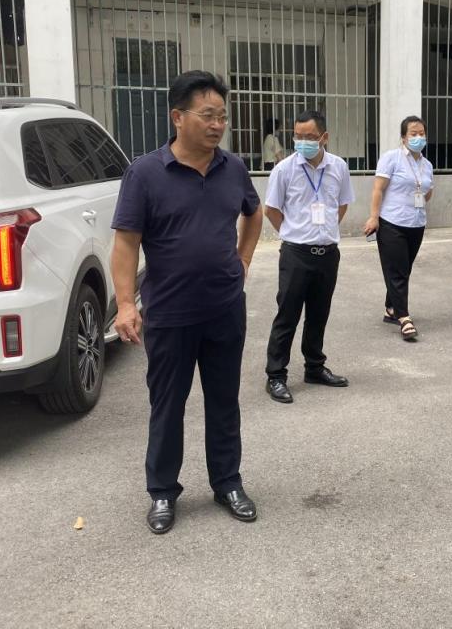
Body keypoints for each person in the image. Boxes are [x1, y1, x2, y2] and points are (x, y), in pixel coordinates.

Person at [111, 70, 263, 534]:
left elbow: (254, 214)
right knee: (167, 405)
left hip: (224, 308)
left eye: (223, 116)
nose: (218, 125)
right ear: (178, 117)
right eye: (208, 115)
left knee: (224, 401)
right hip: (171, 313)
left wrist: (243, 260)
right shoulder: (145, 173)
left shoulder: (233, 168)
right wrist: (125, 304)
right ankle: (162, 491)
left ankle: (228, 482)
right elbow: (126, 242)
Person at [263, 110, 354, 404]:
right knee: (287, 315)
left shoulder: (338, 167)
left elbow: (342, 204)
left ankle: (314, 367)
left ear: (324, 137)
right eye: (298, 136)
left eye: (310, 137)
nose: (303, 141)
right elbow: (271, 210)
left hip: (327, 254)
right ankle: (276, 375)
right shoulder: (284, 170)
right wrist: (293, 233)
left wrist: (325, 231)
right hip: (296, 254)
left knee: (319, 313)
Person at [363, 116, 434, 341]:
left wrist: (419, 197)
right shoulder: (391, 158)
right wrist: (374, 217)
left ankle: (391, 308)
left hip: (416, 223)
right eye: (413, 133)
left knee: (404, 268)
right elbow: (378, 189)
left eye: (421, 133)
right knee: (398, 271)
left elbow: (428, 192)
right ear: (403, 137)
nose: (418, 137)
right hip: (392, 222)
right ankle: (404, 318)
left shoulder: (427, 164)